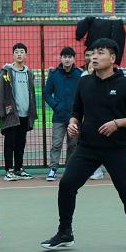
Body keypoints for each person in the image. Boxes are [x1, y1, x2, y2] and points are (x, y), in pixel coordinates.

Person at [41, 39, 126, 252]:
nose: (94, 56)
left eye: (100, 53)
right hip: (87, 148)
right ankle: (65, 233)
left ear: (112, 58)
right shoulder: (84, 83)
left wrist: (117, 123)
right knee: (67, 185)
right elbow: (77, 111)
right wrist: (73, 123)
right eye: (92, 53)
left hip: (117, 149)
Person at [0, 42, 37, 181]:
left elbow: (31, 93)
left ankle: (19, 169)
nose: (19, 54)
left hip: (25, 114)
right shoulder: (6, 72)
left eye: (22, 52)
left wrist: (32, 113)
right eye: (16, 52)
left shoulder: (29, 73)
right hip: (11, 113)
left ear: (26, 55)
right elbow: (0, 92)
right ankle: (9, 170)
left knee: (21, 143)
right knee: (9, 143)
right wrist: (1, 112)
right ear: (13, 55)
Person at [43, 46, 81, 181]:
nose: (67, 59)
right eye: (65, 57)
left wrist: (79, 110)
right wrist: (56, 106)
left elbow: (83, 94)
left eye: (70, 57)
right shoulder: (54, 74)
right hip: (59, 117)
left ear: (74, 59)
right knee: (56, 143)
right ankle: (53, 169)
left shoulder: (79, 74)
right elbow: (47, 94)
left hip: (74, 117)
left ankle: (70, 169)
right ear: (61, 58)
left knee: (73, 144)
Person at [80, 47, 104, 181]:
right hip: (87, 119)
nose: (91, 69)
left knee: (100, 144)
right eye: (89, 67)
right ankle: (92, 170)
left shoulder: (102, 81)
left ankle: (99, 170)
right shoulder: (84, 79)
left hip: (99, 119)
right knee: (88, 145)